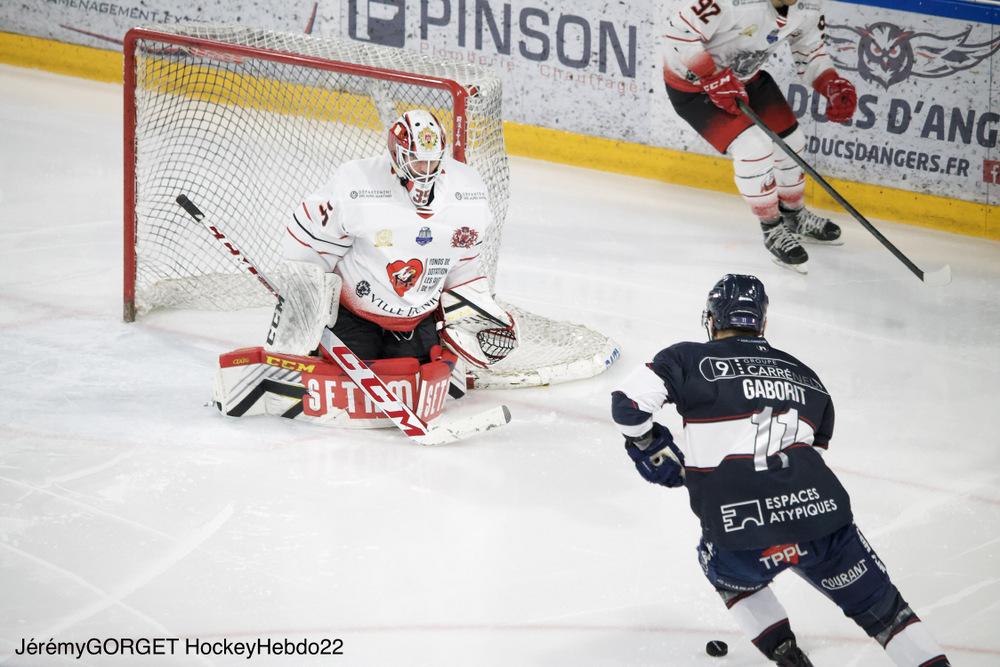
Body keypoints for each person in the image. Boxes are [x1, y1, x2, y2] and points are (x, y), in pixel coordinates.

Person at [610, 274, 950, 666]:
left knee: (726, 574)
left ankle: (785, 652)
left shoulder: (685, 358)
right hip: (823, 519)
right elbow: (811, 449)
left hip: (740, 530)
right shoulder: (808, 376)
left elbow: (627, 406)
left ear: (712, 319)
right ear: (763, 322)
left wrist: (648, 446)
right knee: (888, 614)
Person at [266, 109, 518, 394]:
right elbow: (309, 243)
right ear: (396, 155)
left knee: (413, 374)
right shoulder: (358, 183)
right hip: (353, 315)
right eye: (416, 159)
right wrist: (305, 307)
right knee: (348, 382)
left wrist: (471, 311)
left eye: (432, 160)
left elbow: (463, 263)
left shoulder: (468, 192)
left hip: (418, 319)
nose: (425, 168)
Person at [662, 0, 858, 273]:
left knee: (792, 142)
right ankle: (772, 228)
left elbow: (810, 51)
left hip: (746, 78)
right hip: (694, 87)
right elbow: (678, 32)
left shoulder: (810, 6)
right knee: (753, 148)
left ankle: (794, 215)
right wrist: (711, 75)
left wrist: (830, 83)